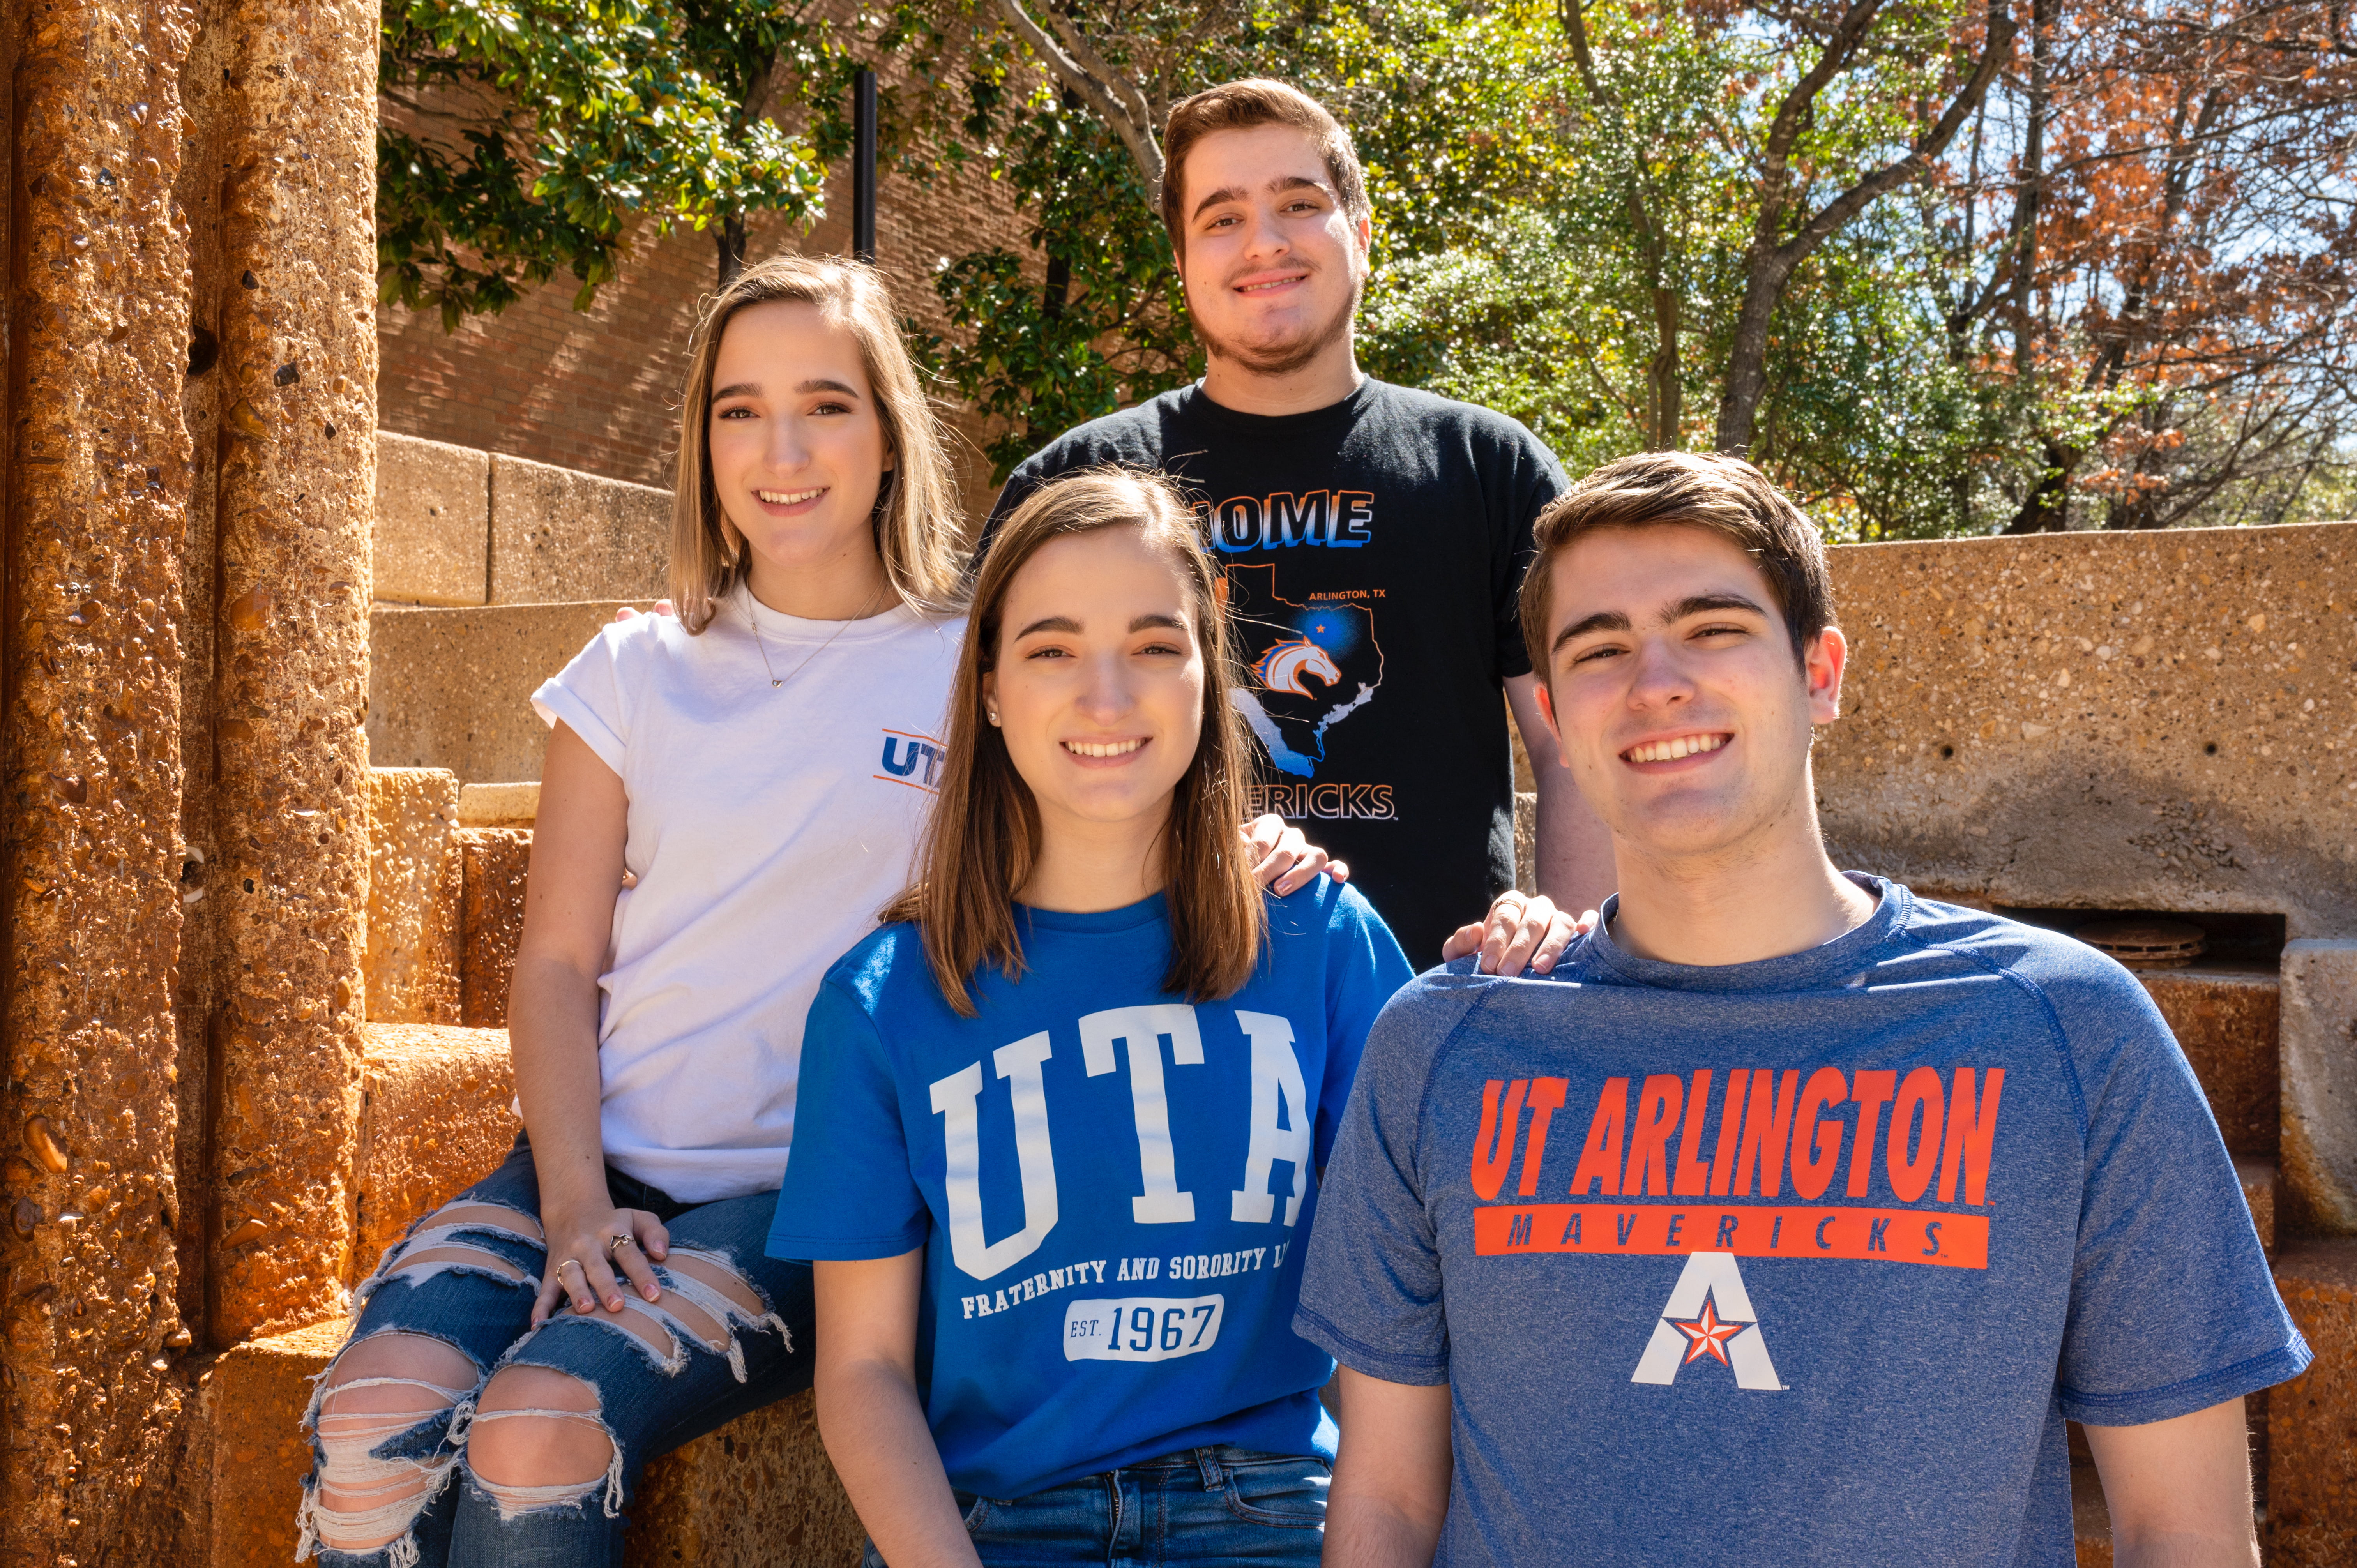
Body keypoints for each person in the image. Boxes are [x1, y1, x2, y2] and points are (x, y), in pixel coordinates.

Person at [295, 256, 1548, 1566]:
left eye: (827, 403)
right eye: (737, 408)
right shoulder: (636, 665)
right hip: (608, 1158)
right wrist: (567, 1204)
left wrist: (1252, 836)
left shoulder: (964, 650)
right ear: (699, 439)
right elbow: (554, 960)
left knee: (533, 1427)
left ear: (891, 432)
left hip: (799, 1188)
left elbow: (1110, 723)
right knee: (375, 1413)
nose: (782, 447)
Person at [1296, 451, 2310, 1567]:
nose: (1656, 681)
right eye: (1600, 649)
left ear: (1819, 672)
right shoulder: (1443, 1045)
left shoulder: (2063, 1031)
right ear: (1550, 712)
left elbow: (2186, 1527)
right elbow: (1387, 1501)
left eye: (1714, 628)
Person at [769, 468, 1413, 1567]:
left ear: (1211, 675)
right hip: (994, 1526)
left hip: (1264, 1514)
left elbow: (1400, 1327)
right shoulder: (882, 1002)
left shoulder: (1323, 943)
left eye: (1156, 646)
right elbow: (865, 1371)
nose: (1107, 697)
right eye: (1052, 648)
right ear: (987, 689)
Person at [984, 78, 1612, 966]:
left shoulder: (1489, 467)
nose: (1264, 241)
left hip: (1437, 1011)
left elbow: (1576, 744)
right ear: (1184, 263)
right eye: (1222, 217)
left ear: (1359, 235)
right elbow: (987, 751)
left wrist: (1574, 969)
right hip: (1146, 1001)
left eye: (1298, 204)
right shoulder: (1073, 483)